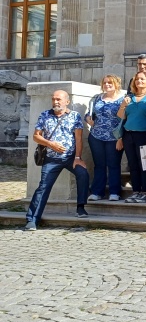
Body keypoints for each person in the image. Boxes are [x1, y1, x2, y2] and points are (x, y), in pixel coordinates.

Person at [25, 90, 90, 230]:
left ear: (67, 101)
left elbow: (78, 138)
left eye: (59, 99)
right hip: (51, 159)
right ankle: (32, 219)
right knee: (43, 187)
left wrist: (78, 158)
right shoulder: (45, 115)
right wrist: (51, 144)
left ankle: (80, 208)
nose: (56, 102)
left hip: (71, 158)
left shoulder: (74, 116)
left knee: (83, 174)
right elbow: (36, 136)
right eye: (54, 99)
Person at [117, 71, 146, 203]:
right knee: (133, 164)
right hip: (129, 135)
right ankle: (136, 191)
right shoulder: (129, 98)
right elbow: (121, 117)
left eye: (142, 79)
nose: (139, 81)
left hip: (145, 135)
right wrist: (123, 105)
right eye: (137, 79)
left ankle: (145, 192)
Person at [86, 74, 124, 202]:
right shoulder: (97, 98)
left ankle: (114, 192)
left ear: (116, 85)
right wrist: (88, 119)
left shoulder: (122, 99)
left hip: (114, 137)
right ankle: (97, 192)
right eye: (105, 83)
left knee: (113, 164)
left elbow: (124, 118)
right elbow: (89, 113)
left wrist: (121, 138)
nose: (107, 85)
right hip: (96, 135)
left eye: (110, 83)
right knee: (99, 164)